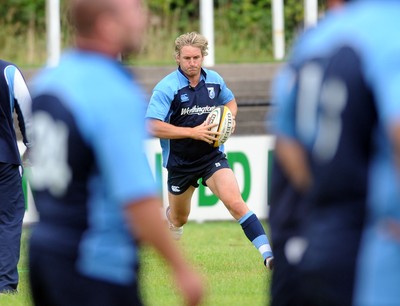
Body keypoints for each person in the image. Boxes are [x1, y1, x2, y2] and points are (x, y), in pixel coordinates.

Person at [28, 1, 204, 305]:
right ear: (107, 25)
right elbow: (136, 196)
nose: (144, 19)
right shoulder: (109, 90)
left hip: (44, 252)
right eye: (134, 11)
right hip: (96, 262)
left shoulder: (49, 79)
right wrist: (181, 267)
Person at [269, 0, 396, 305]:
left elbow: (287, 141)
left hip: (321, 230)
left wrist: (327, 195)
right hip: (379, 243)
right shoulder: (390, 30)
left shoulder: (315, 39)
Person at [145, 31, 273, 270]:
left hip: (211, 156)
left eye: (196, 57)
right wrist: (193, 132)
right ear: (177, 58)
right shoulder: (166, 88)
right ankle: (171, 222)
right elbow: (152, 125)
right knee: (179, 217)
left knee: (235, 203)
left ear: (203, 56)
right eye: (187, 58)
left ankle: (268, 255)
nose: (192, 63)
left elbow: (230, 102)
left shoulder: (214, 80)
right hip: (180, 163)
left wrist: (230, 119)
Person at [0, 59, 31, 293]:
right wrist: (32, 144)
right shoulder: (8, 71)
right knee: (8, 220)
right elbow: (27, 110)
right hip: (3, 158)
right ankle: (5, 286)